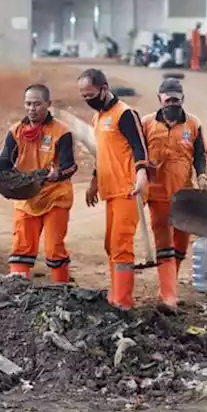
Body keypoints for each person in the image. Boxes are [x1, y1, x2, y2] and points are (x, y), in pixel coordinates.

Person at [79, 68, 150, 309]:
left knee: (121, 245)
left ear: (104, 88)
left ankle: (123, 301)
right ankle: (116, 294)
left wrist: (142, 175)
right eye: (83, 96)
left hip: (129, 190)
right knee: (111, 245)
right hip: (110, 190)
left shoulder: (126, 114)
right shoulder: (97, 117)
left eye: (90, 94)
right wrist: (94, 181)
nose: (87, 99)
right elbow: (102, 154)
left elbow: (140, 149)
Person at [0, 84, 78, 282]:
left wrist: (57, 174)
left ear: (48, 104)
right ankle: (17, 293)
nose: (32, 108)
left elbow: (71, 166)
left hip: (55, 196)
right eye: (28, 103)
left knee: (54, 248)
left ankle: (62, 293)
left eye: (37, 104)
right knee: (21, 247)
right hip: (26, 197)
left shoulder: (61, 132)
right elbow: (4, 164)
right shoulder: (16, 131)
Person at [142, 78, 207, 310]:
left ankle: (167, 289)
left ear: (183, 99)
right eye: (167, 98)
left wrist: (202, 178)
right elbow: (136, 156)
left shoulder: (193, 124)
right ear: (159, 98)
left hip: (184, 195)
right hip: (157, 194)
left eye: (176, 99)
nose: (172, 102)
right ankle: (169, 296)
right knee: (164, 244)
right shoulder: (147, 123)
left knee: (180, 245)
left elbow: (201, 155)